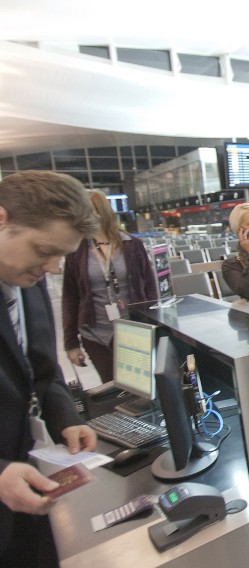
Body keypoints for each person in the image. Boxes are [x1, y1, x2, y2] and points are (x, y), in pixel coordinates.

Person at [0, 171, 99, 566]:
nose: (55, 268)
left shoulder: (28, 274)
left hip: (26, 486)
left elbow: (41, 367)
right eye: (45, 250)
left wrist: (65, 417)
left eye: (63, 254)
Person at [62, 191, 158, 383]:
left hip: (135, 329)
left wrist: (157, 327)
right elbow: (70, 297)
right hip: (95, 333)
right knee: (112, 388)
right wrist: (71, 343)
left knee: (139, 386)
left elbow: (150, 288)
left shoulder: (132, 245)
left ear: (102, 212)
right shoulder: (77, 249)